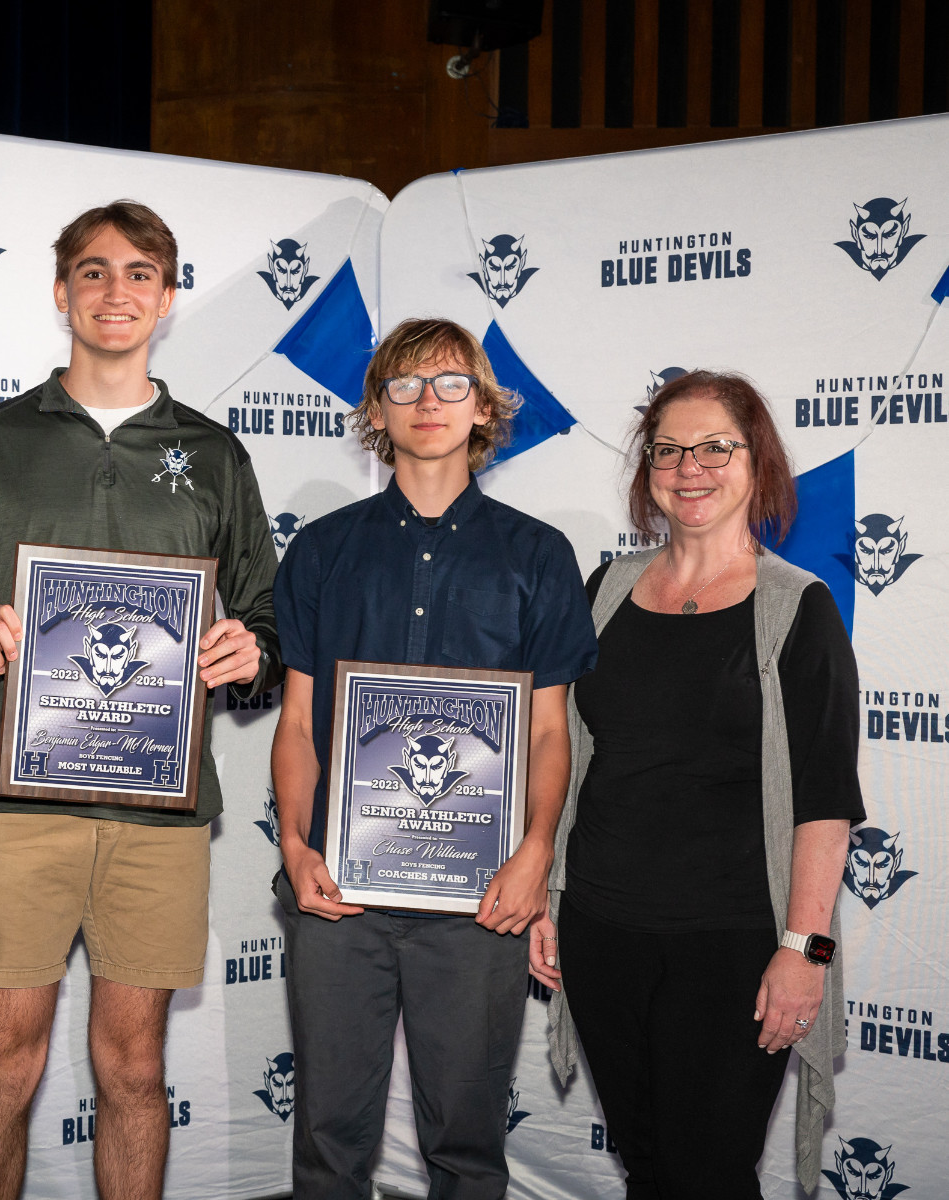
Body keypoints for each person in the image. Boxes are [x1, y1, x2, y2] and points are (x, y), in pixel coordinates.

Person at [0, 199, 283, 1200]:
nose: (117, 292)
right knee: (5, 1060)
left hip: (159, 812)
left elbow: (267, 632)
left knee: (133, 1067)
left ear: (167, 297)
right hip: (15, 804)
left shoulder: (215, 455)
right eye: (95, 271)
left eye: (140, 274)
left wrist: (249, 652)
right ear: (61, 291)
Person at [270, 316, 598, 1199]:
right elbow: (297, 722)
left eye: (450, 383)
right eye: (404, 385)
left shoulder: (537, 554)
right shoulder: (322, 550)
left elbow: (545, 730)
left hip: (478, 898)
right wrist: (294, 850)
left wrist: (536, 853)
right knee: (329, 1143)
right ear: (374, 409)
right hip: (337, 894)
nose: (427, 403)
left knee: (466, 1145)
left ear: (484, 406)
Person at [540, 370, 861, 1198]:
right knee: (645, 1161)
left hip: (733, 945)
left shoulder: (798, 608)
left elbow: (825, 804)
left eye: (716, 447)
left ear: (756, 463)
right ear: (647, 470)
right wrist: (547, 893)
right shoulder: (605, 589)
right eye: (669, 450)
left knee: (707, 1171)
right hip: (602, 928)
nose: (691, 468)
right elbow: (568, 757)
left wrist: (803, 951)